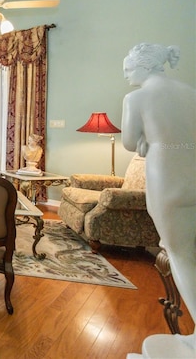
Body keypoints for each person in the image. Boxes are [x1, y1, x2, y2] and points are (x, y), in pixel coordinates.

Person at [121, 43, 196, 355]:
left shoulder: (137, 97)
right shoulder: (190, 92)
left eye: (128, 69)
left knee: (180, 254)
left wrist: (145, 140)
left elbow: (128, 141)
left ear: (145, 67)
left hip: (166, 174)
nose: (125, 75)